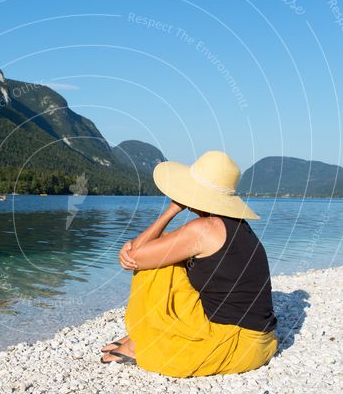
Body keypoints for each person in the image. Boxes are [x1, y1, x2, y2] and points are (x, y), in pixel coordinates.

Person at [100, 150, 278, 377]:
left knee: (156, 268)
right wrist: (137, 247)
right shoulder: (233, 225)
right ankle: (142, 331)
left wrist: (172, 209)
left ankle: (139, 343)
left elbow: (135, 258)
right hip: (261, 341)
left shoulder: (204, 229)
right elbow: (154, 247)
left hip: (232, 345)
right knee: (165, 255)